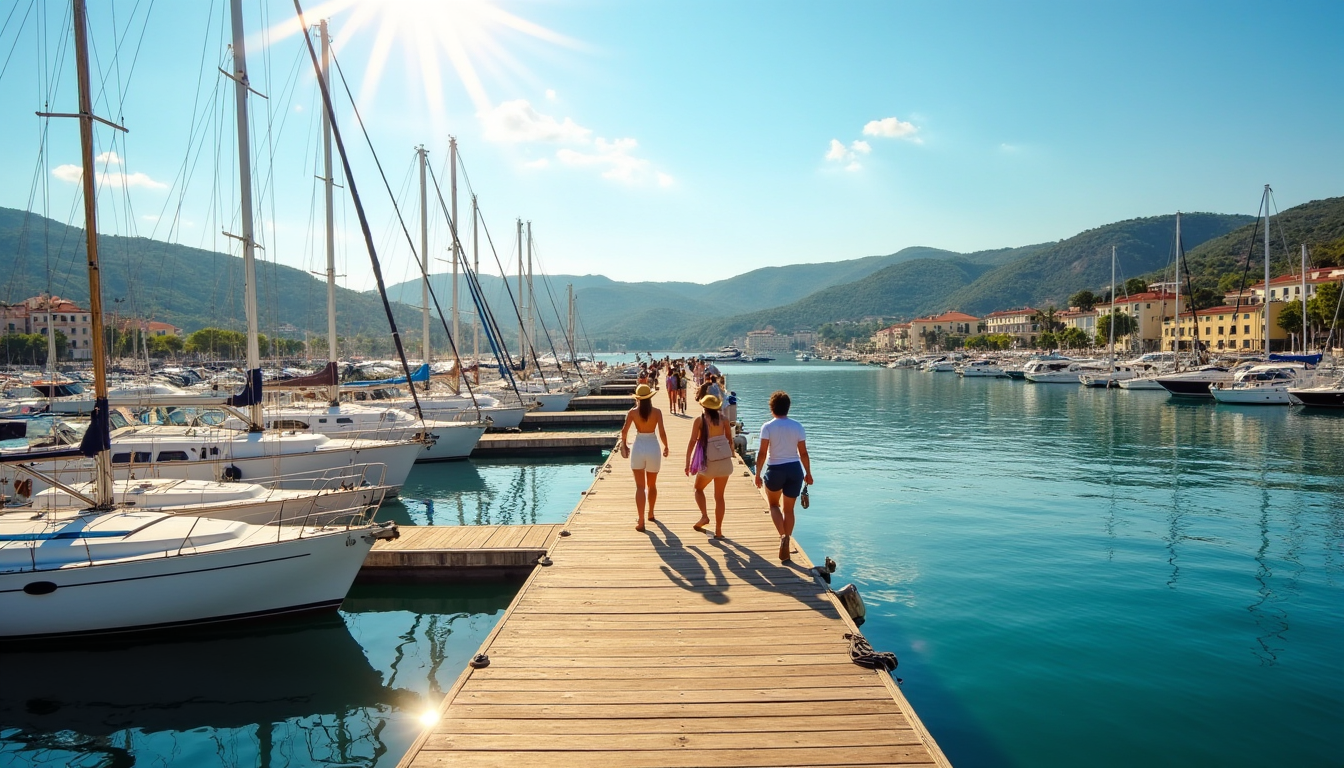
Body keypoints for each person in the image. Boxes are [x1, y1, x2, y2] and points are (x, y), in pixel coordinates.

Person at [754, 390, 812, 562]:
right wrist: (808, 473)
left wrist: (757, 474)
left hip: (775, 470)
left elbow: (763, 453)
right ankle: (788, 537)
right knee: (789, 510)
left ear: (772, 408)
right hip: (794, 470)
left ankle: (783, 537)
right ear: (788, 408)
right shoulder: (797, 426)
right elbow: (803, 453)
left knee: (773, 505)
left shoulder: (767, 427)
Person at [618, 383, 669, 532]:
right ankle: (651, 513)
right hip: (653, 446)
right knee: (652, 485)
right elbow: (662, 433)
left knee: (640, 487)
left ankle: (641, 521)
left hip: (639, 446)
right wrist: (666, 446)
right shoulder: (657, 412)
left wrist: (625, 445)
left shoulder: (633, 413)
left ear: (638, 399)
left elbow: (624, 431)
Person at [685, 393, 734, 538]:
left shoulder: (700, 421)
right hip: (724, 462)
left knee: (698, 488)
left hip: (708, 462)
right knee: (720, 497)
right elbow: (730, 440)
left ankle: (704, 516)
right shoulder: (724, 419)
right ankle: (719, 530)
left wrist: (688, 462)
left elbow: (692, 442)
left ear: (703, 406)